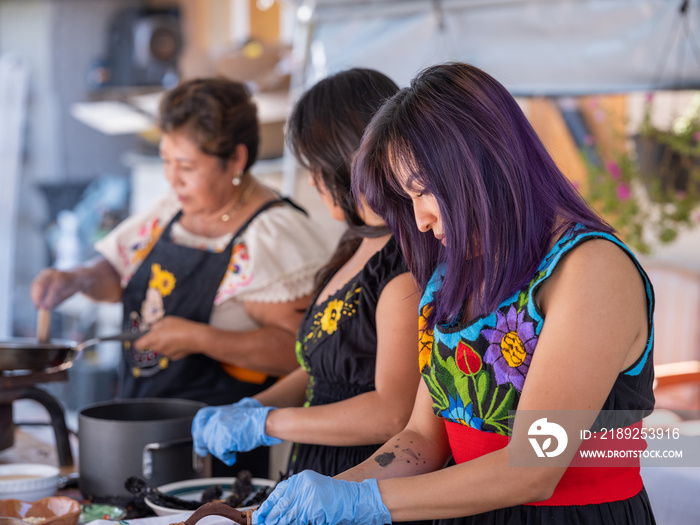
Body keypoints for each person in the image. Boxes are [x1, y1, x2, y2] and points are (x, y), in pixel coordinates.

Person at [250, 62, 657, 524]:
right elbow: (423, 438)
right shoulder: (454, 273)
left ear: (483, 165)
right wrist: (333, 489)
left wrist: (367, 502)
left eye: (423, 192)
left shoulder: (590, 269)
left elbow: (534, 466)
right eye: (408, 200)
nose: (420, 220)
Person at [31, 77, 331, 478]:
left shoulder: (271, 234)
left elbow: (304, 351)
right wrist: (79, 278)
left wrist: (199, 338)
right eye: (166, 160)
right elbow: (119, 274)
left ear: (236, 159)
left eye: (187, 166)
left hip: (220, 456)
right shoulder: (170, 211)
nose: (172, 178)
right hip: (143, 431)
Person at [191, 68, 425, 486]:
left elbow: (392, 412)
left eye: (315, 166)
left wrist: (270, 423)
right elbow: (324, 368)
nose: (313, 180)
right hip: (314, 469)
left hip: (365, 480)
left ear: (349, 159)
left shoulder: (402, 267)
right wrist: (252, 407)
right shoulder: (352, 246)